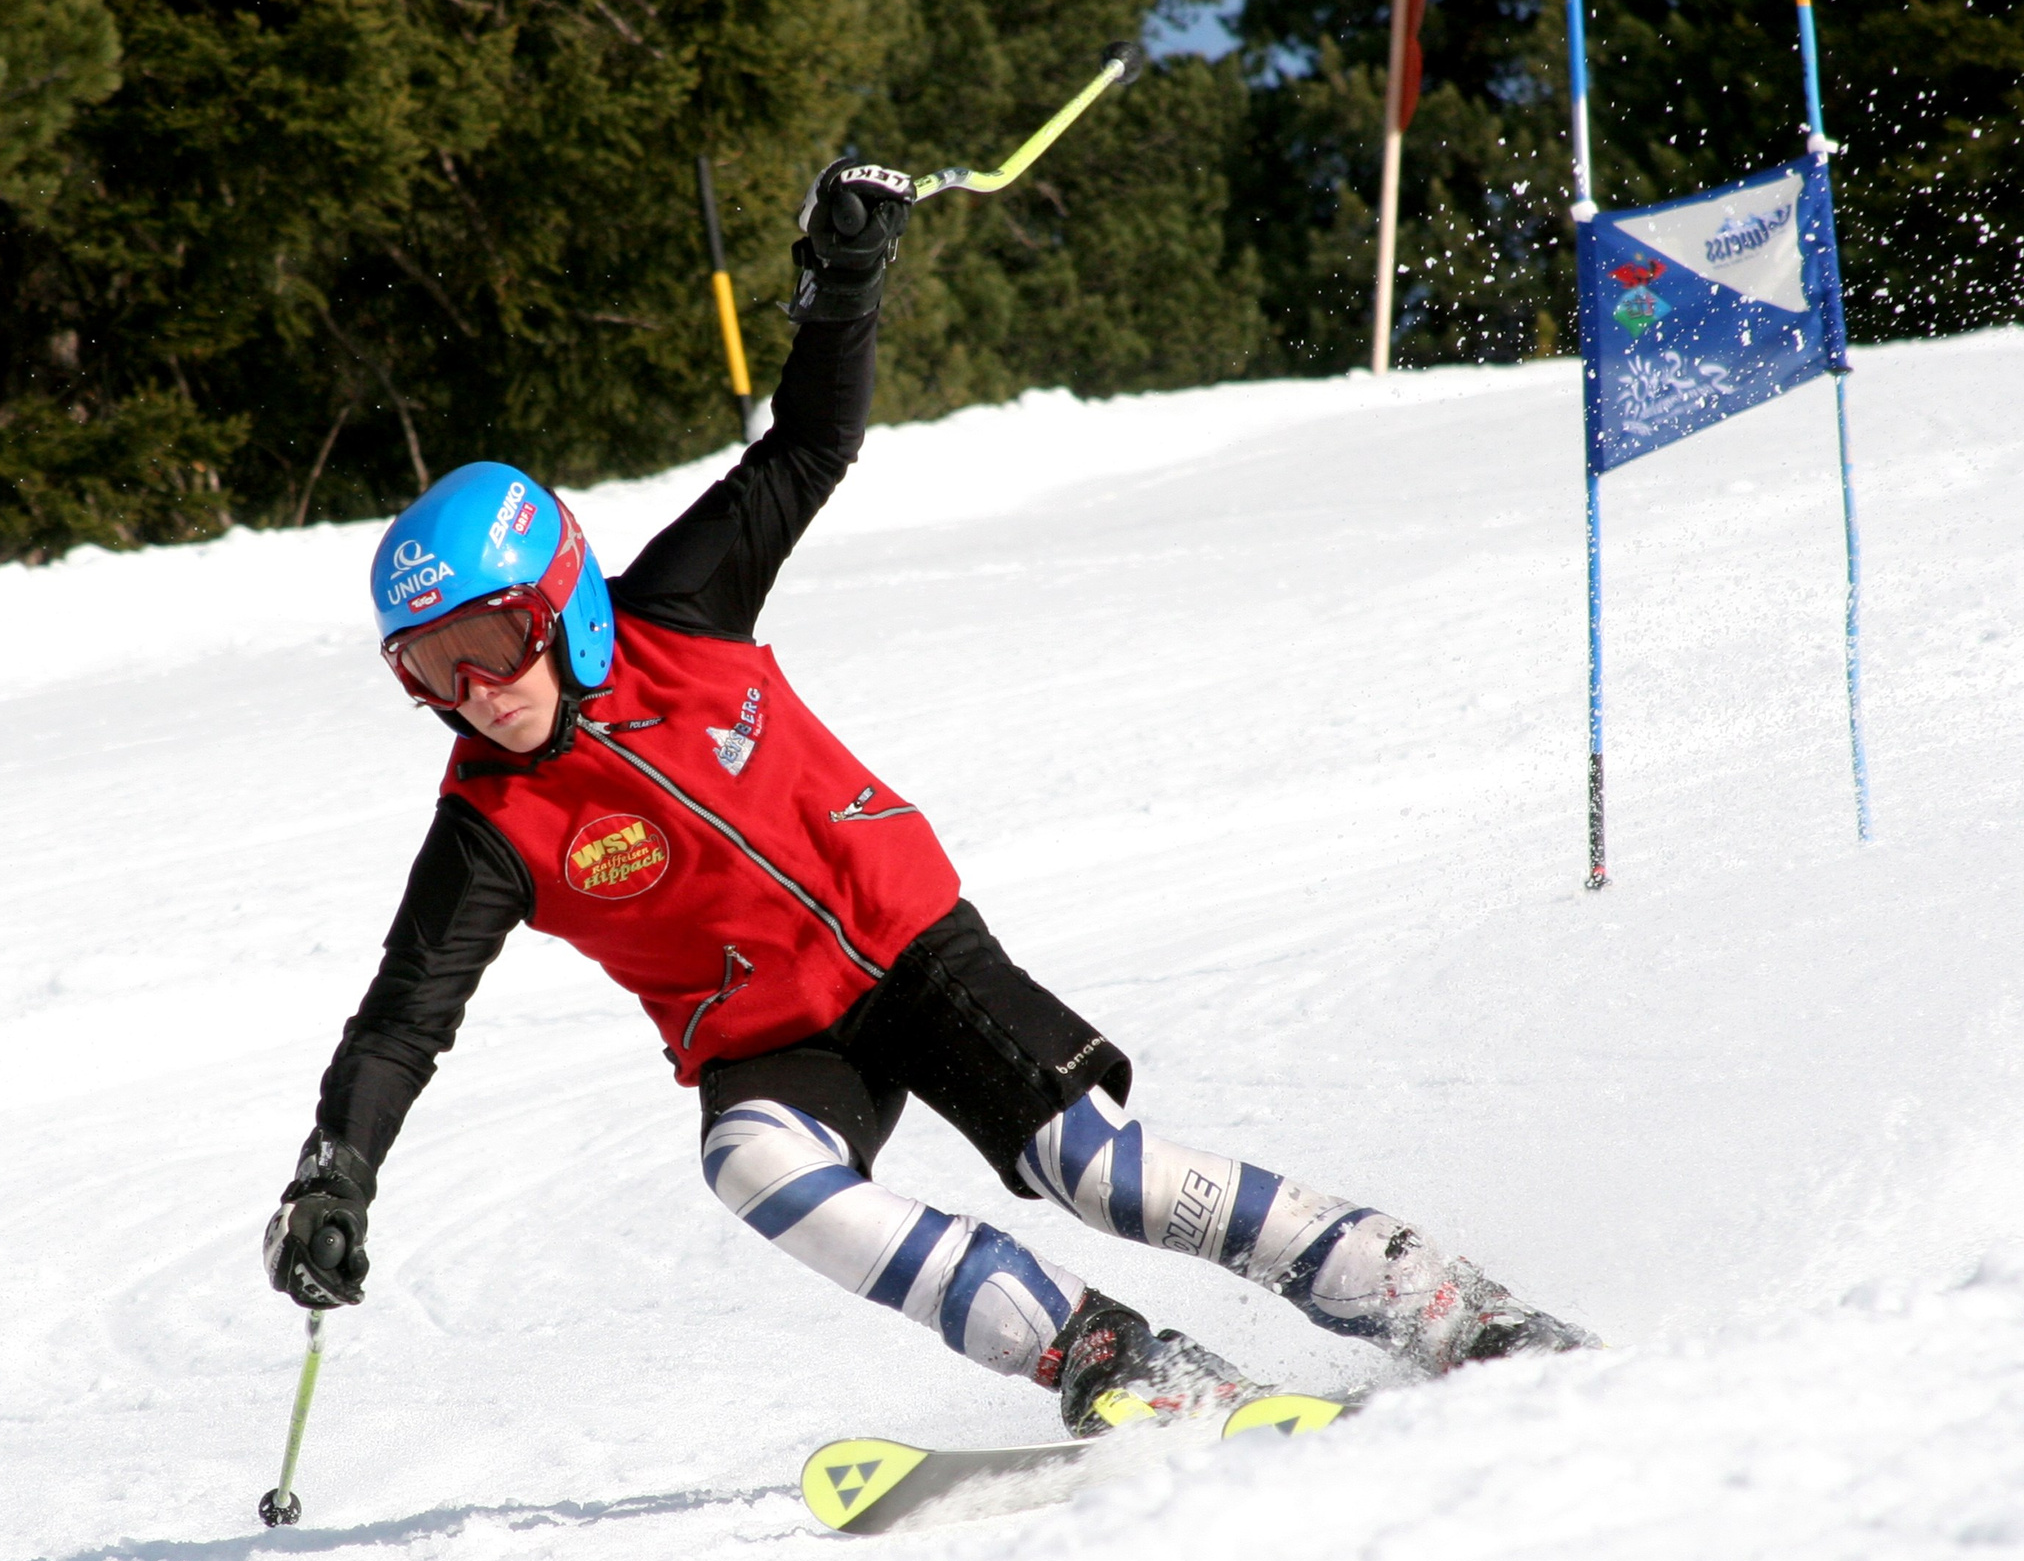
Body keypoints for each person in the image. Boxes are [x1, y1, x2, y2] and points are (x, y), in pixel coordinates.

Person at [264, 159, 1594, 1437]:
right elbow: (403, 1020)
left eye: (490, 643)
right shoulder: (489, 824)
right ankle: (1102, 1353)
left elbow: (810, 443)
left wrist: (842, 285)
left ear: (559, 600)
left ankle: (1436, 1302)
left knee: (1100, 1170)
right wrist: (337, 1174)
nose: (474, 692)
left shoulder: (680, 609)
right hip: (771, 1040)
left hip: (909, 951)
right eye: (428, 671)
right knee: (751, 1164)